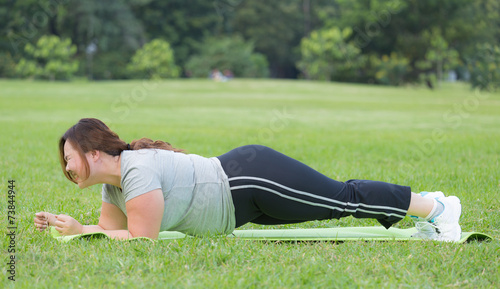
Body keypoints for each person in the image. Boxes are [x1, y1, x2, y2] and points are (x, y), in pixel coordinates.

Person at [34, 118, 462, 241]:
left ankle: (438, 208)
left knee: (340, 199)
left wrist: (88, 232)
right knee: (335, 199)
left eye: (70, 159)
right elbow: (114, 232)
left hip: (248, 181)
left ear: (93, 153)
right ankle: (427, 203)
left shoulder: (137, 169)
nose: (67, 168)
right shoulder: (115, 185)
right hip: (241, 207)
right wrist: (76, 228)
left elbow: (140, 237)